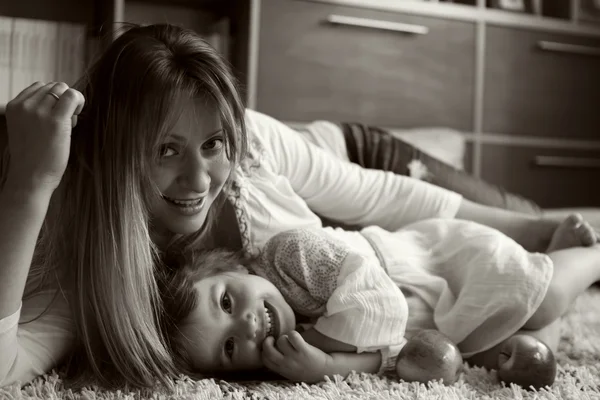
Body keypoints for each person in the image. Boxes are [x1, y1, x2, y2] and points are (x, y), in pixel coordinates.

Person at [0, 23, 597, 388]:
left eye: (213, 144)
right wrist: (30, 183)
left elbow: (379, 194)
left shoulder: (250, 146)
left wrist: (530, 227)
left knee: (537, 228)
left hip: (355, 154)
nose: (198, 177)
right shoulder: (93, 260)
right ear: (112, 155)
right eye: (165, 150)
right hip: (365, 251)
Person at [159, 223, 600, 385]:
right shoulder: (293, 358)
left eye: (228, 302)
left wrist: (328, 363)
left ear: (234, 267)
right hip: (443, 324)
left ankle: (588, 261)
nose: (250, 327)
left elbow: (382, 305)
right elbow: (389, 362)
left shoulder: (290, 254)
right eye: (231, 347)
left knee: (537, 300)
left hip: (446, 268)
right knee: (519, 360)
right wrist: (322, 367)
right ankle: (557, 261)